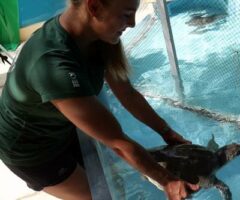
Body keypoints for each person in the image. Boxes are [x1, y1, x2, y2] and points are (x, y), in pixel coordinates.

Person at [0, 0, 200, 199]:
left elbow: (127, 94)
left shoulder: (98, 35)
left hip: (61, 129)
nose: (132, 23)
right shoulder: (53, 65)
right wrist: (168, 181)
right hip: (30, 152)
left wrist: (166, 132)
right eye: (126, 14)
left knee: (114, 183)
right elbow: (118, 143)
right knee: (102, 196)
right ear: (93, 7)